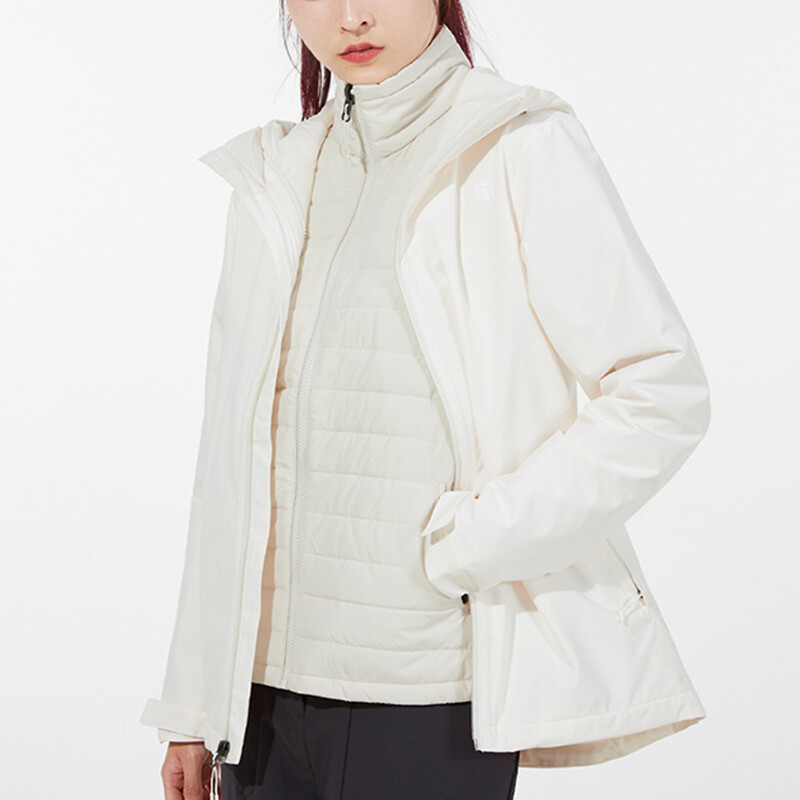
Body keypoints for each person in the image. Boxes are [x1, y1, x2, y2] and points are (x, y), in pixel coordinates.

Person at [140, 1, 712, 799]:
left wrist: (479, 540)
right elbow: (227, 461)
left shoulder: (514, 143)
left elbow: (660, 388)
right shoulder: (277, 176)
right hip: (262, 704)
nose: (352, 16)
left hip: (426, 695)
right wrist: (194, 703)